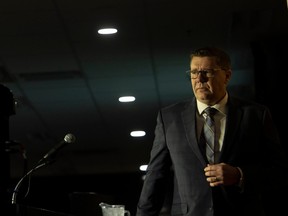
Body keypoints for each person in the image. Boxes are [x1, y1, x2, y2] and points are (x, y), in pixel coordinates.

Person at [136, 47, 288, 216]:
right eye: (194, 72)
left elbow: (280, 171)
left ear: (227, 76)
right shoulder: (170, 118)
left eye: (207, 72)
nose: (199, 79)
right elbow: (155, 176)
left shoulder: (256, 115)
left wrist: (240, 175)